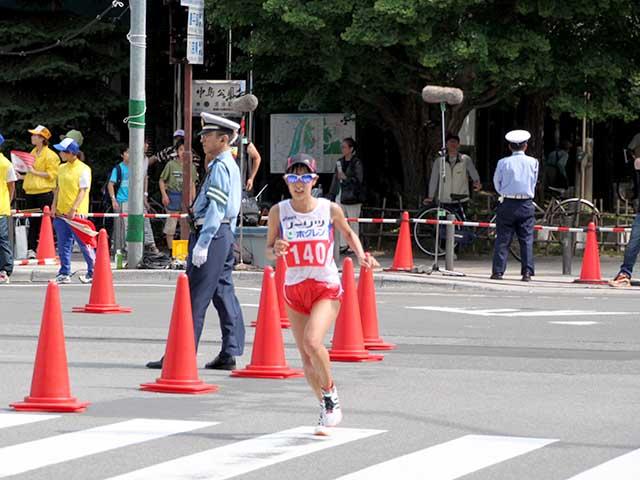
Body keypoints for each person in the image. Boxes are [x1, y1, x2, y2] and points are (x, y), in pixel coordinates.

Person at [265, 153, 378, 435]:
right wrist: (275, 248)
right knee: (305, 357)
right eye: (293, 177)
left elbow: (348, 233)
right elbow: (268, 248)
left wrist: (362, 256)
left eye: (305, 177)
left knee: (313, 342)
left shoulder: (328, 208)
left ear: (314, 180)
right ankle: (325, 407)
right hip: (294, 288)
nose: (299, 183)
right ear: (286, 180)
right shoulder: (279, 211)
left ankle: (331, 396)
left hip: (325, 285)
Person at [146, 113, 244, 370]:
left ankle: (181, 353)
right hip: (221, 235)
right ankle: (229, 351)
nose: (202, 139)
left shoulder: (221, 166)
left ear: (223, 139)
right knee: (223, 293)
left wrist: (204, 242)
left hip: (212, 233)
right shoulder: (226, 164)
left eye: (207, 135)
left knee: (194, 296)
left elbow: (217, 207)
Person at [491, 130, 539, 282]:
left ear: (509, 147)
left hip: (507, 202)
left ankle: (498, 272)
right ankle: (527, 272)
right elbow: (534, 181)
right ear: (525, 146)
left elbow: (496, 182)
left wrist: (504, 193)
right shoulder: (533, 162)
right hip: (526, 202)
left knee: (503, 239)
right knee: (526, 239)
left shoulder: (503, 162)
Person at [50, 138, 94, 284]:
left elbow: (83, 191)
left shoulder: (83, 169)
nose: (60, 153)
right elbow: (58, 189)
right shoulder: (61, 168)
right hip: (61, 213)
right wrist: (54, 206)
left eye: (62, 151)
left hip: (77, 213)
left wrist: (74, 208)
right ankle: (64, 272)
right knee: (63, 245)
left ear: (70, 153)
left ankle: (93, 272)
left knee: (84, 244)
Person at [107, 147, 158, 254]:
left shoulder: (137, 167)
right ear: (122, 155)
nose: (129, 155)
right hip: (123, 199)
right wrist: (113, 200)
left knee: (145, 221)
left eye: (131, 152)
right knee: (126, 225)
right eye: (127, 153)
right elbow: (110, 184)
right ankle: (128, 248)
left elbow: (145, 178)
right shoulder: (118, 168)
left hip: (138, 200)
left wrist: (145, 196)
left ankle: (150, 244)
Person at [22, 125, 60, 258]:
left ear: (42, 139)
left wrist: (34, 172)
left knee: (47, 222)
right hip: (30, 192)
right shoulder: (32, 153)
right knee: (32, 222)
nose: (32, 137)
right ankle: (31, 249)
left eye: (35, 135)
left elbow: (52, 174)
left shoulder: (51, 156)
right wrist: (21, 175)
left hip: (44, 192)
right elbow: (30, 173)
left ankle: (49, 248)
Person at [425, 133, 481, 218]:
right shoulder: (439, 161)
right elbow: (434, 180)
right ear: (446, 145)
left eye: (455, 142)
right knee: (442, 222)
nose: (453, 144)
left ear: (458, 145)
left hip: (461, 200)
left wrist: (477, 182)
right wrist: (430, 196)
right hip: (443, 200)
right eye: (450, 142)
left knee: (460, 223)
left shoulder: (465, 159)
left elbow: (473, 173)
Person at [609, 135, 640, 288]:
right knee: (633, 243)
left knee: (634, 242)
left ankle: (625, 272)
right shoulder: (635, 164)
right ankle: (625, 272)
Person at [159, 140, 197, 250]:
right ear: (177, 151)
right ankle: (171, 251)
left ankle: (183, 251)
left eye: (185, 150)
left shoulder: (192, 167)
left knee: (186, 226)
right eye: (181, 150)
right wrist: (164, 195)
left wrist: (193, 202)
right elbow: (161, 180)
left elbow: (192, 184)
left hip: (186, 198)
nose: (183, 152)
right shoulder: (171, 165)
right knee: (171, 225)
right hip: (173, 196)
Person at [328, 138, 365, 254]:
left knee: (353, 221)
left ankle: (354, 245)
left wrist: (346, 179)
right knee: (340, 220)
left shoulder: (357, 162)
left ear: (351, 149)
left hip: (353, 196)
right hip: (340, 194)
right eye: (342, 147)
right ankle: (343, 244)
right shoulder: (339, 162)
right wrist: (331, 193)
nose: (342, 149)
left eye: (344, 147)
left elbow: (359, 180)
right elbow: (335, 178)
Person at [0, 133, 17, 284]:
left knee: (2, 239)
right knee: (2, 240)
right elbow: (12, 185)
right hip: (2, 206)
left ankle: (5, 269)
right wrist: (8, 201)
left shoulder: (5, 164)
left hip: (1, 207)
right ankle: (5, 269)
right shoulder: (6, 163)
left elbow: (11, 185)